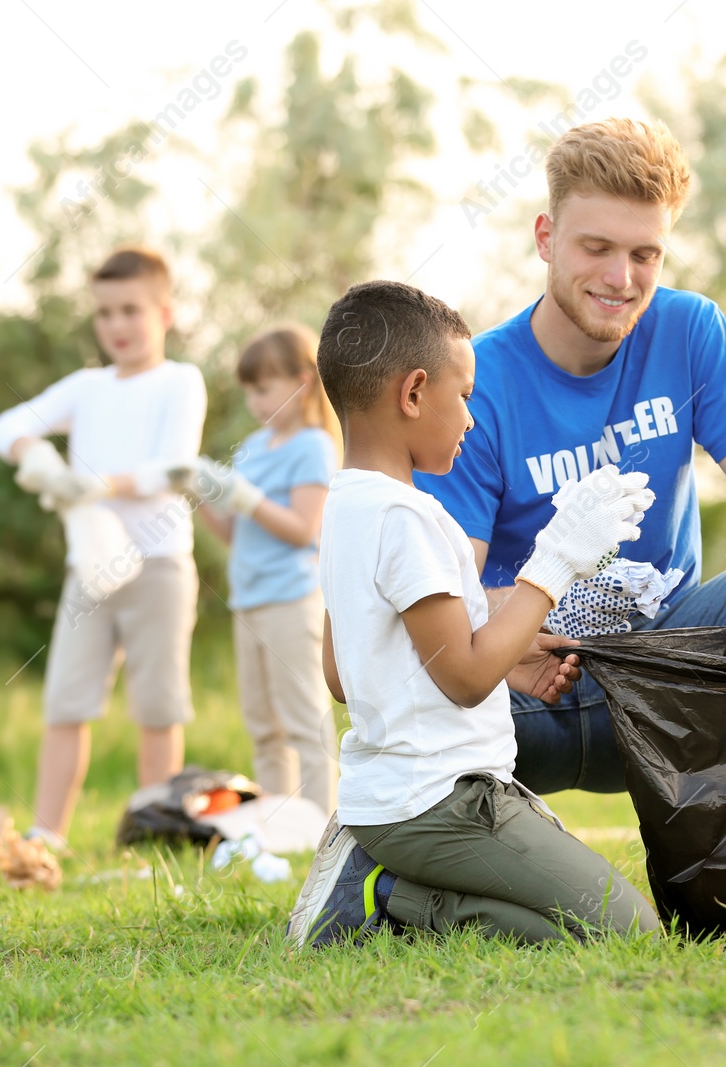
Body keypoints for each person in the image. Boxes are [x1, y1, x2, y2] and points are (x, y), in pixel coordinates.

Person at [415, 117, 726, 795]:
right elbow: (445, 605)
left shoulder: (688, 330)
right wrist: (540, 603)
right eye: (596, 247)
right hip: (539, 688)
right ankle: (396, 854)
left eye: (645, 254)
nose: (620, 278)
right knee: (426, 690)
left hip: (670, 669)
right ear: (546, 238)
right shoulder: (479, 383)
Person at [286, 280, 661, 946]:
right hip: (443, 803)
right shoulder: (410, 518)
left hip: (385, 801)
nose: (470, 419)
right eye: (463, 398)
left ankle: (385, 874)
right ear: (412, 393)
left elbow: (347, 675)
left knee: (584, 918)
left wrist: (507, 664)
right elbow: (461, 677)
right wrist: (555, 561)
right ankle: (389, 898)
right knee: (626, 931)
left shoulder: (345, 506)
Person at [0, 246, 206, 848]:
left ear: (164, 312)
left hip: (159, 565)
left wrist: (101, 483)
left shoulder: (180, 381)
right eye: (105, 313)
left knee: (157, 705)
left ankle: (153, 832)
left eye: (130, 310)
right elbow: (5, 425)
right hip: (88, 567)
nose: (116, 326)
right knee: (67, 700)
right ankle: (45, 834)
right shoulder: (87, 386)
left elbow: (174, 465)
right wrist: (34, 456)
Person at [178, 325, 340, 813]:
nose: (255, 401)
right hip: (248, 600)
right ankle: (279, 820)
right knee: (262, 723)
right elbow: (233, 533)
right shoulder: (252, 447)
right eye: (249, 390)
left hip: (290, 600)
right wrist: (203, 493)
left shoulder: (313, 445)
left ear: (302, 381)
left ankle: (321, 824)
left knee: (302, 717)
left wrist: (245, 498)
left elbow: (303, 529)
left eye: (264, 388)